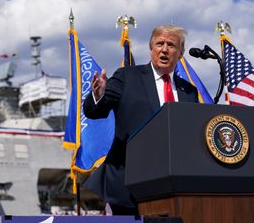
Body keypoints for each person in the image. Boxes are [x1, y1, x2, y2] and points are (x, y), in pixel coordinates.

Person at [83, 25, 199, 215]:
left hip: (172, 186)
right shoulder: (127, 77)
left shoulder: (189, 91)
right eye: (159, 43)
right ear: (151, 49)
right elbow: (95, 111)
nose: (164, 49)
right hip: (128, 185)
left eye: (171, 45)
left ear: (180, 53)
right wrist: (98, 95)